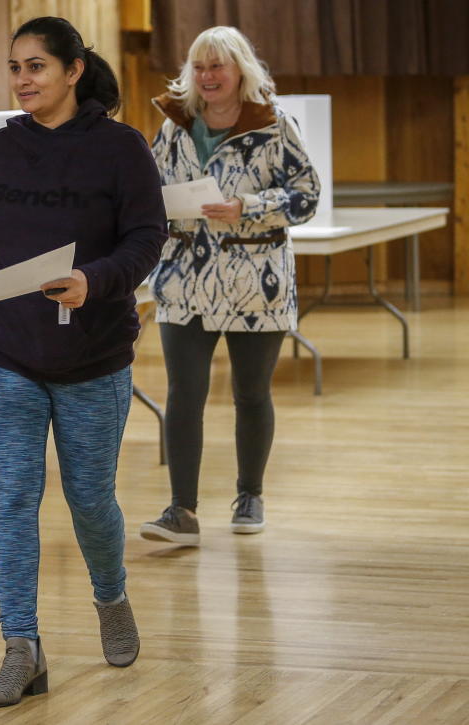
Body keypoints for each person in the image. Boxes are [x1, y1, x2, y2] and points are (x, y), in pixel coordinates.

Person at [0, 16, 167, 708]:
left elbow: (149, 239)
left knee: (90, 499)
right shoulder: (4, 146)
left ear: (73, 71)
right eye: (15, 68)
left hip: (93, 356)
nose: (24, 80)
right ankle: (20, 646)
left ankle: (111, 595)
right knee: (14, 499)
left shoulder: (122, 149)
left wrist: (96, 279)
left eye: (36, 66)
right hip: (7, 355)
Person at [139, 26, 320, 547]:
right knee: (183, 394)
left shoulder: (274, 124)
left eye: (218, 65)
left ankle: (250, 494)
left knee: (250, 392)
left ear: (241, 68)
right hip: (183, 280)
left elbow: (306, 197)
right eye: (199, 66)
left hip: (254, 281)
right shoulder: (174, 124)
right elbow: (151, 186)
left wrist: (249, 207)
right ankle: (182, 511)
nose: (207, 76)